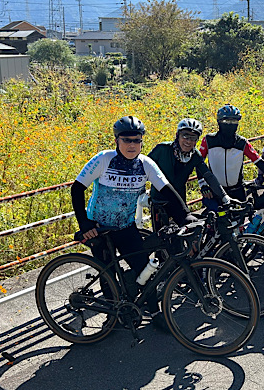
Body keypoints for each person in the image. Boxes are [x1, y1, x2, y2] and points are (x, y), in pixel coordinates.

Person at [71, 116, 193, 323]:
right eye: (126, 140)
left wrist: (186, 216)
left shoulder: (145, 164)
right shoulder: (104, 159)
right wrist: (84, 223)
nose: (132, 145)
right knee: (108, 275)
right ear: (117, 141)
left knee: (145, 268)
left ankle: (154, 311)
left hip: (126, 226)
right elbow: (77, 189)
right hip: (99, 228)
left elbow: (168, 191)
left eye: (136, 140)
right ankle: (112, 317)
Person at [148, 118, 230, 230]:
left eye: (193, 138)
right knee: (161, 237)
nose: (188, 141)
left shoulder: (195, 155)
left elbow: (208, 175)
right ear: (178, 135)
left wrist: (224, 196)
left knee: (190, 232)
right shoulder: (162, 149)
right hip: (159, 200)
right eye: (185, 136)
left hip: (179, 201)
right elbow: (143, 168)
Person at [199, 104, 264, 210]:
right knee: (215, 223)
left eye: (234, 122)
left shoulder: (242, 142)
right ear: (219, 122)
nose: (230, 125)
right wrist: (203, 185)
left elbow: (259, 161)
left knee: (240, 224)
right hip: (215, 191)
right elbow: (199, 163)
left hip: (237, 191)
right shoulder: (208, 140)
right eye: (226, 122)